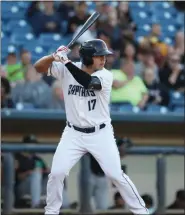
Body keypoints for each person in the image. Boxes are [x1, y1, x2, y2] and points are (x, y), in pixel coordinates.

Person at [34, 39, 149, 215]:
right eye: (98, 56)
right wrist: (53, 56)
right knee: (57, 173)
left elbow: (88, 82)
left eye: (104, 56)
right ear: (87, 57)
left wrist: (65, 61)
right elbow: (38, 68)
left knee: (115, 175)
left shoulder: (105, 75)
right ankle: (51, 212)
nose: (103, 60)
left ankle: (141, 211)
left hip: (100, 133)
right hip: (73, 133)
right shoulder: (67, 68)